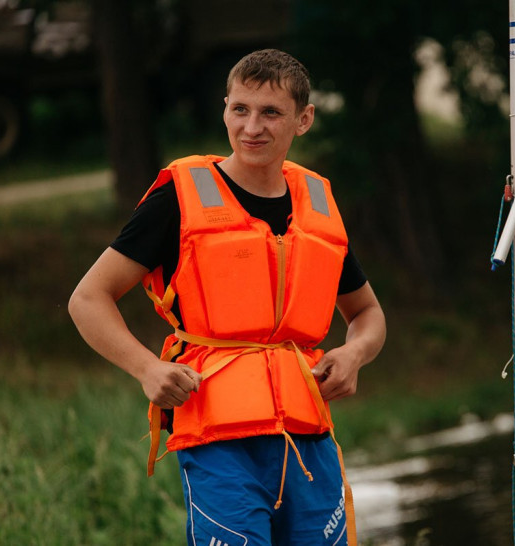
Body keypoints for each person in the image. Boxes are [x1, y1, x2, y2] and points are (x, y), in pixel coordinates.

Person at [69, 49, 386, 546]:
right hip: (217, 440)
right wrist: (147, 369)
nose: (251, 127)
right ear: (224, 110)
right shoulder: (179, 198)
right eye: (240, 109)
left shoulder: (318, 205)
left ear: (303, 120)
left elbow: (367, 313)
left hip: (308, 440)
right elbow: (88, 299)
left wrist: (355, 354)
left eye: (270, 113)